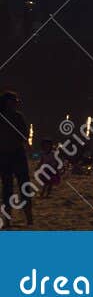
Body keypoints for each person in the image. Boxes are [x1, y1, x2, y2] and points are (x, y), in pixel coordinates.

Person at [0, 91, 33, 228]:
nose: (16, 104)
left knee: (8, 188)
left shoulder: (15, 116)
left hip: (6, 155)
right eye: (14, 102)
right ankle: (28, 219)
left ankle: (9, 220)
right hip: (14, 155)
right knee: (22, 186)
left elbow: (24, 135)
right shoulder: (17, 116)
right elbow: (24, 135)